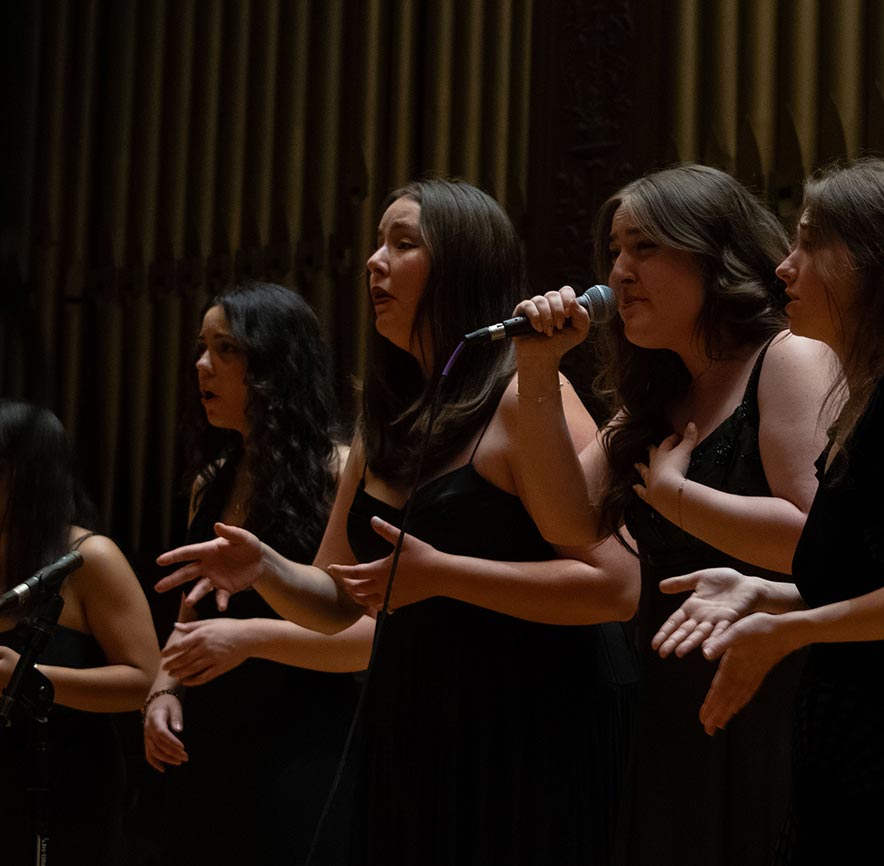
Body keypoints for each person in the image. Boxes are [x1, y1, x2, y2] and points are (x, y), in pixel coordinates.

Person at [156, 178, 639, 865]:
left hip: (530, 717)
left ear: (461, 264)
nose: (373, 262)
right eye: (376, 245)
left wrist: (442, 577)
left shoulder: (529, 391)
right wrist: (267, 567)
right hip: (419, 713)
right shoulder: (383, 420)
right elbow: (335, 600)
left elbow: (613, 586)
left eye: (402, 243)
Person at [652, 158, 884, 864]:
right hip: (852, 756)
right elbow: (882, 576)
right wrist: (771, 592)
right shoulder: (869, 394)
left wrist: (789, 632)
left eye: (808, 244)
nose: (784, 267)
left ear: (878, 263)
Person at [511, 163, 834, 865]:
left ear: (714, 255)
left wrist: (681, 499)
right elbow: (568, 526)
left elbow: (821, 544)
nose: (619, 271)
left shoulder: (788, 358)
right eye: (616, 252)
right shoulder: (659, 399)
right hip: (673, 709)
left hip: (777, 703)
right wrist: (538, 373)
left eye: (646, 247)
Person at [141, 282, 369, 865]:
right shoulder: (212, 479)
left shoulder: (340, 472)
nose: (201, 365)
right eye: (200, 347)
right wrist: (164, 691)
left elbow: (368, 637)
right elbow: (188, 616)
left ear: (273, 364)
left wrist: (247, 639)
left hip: (305, 737)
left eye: (224, 349)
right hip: (214, 738)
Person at [0, 401, 159, 864]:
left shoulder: (92, 558)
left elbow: (146, 680)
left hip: (68, 784)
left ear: (26, 475)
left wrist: (30, 678)